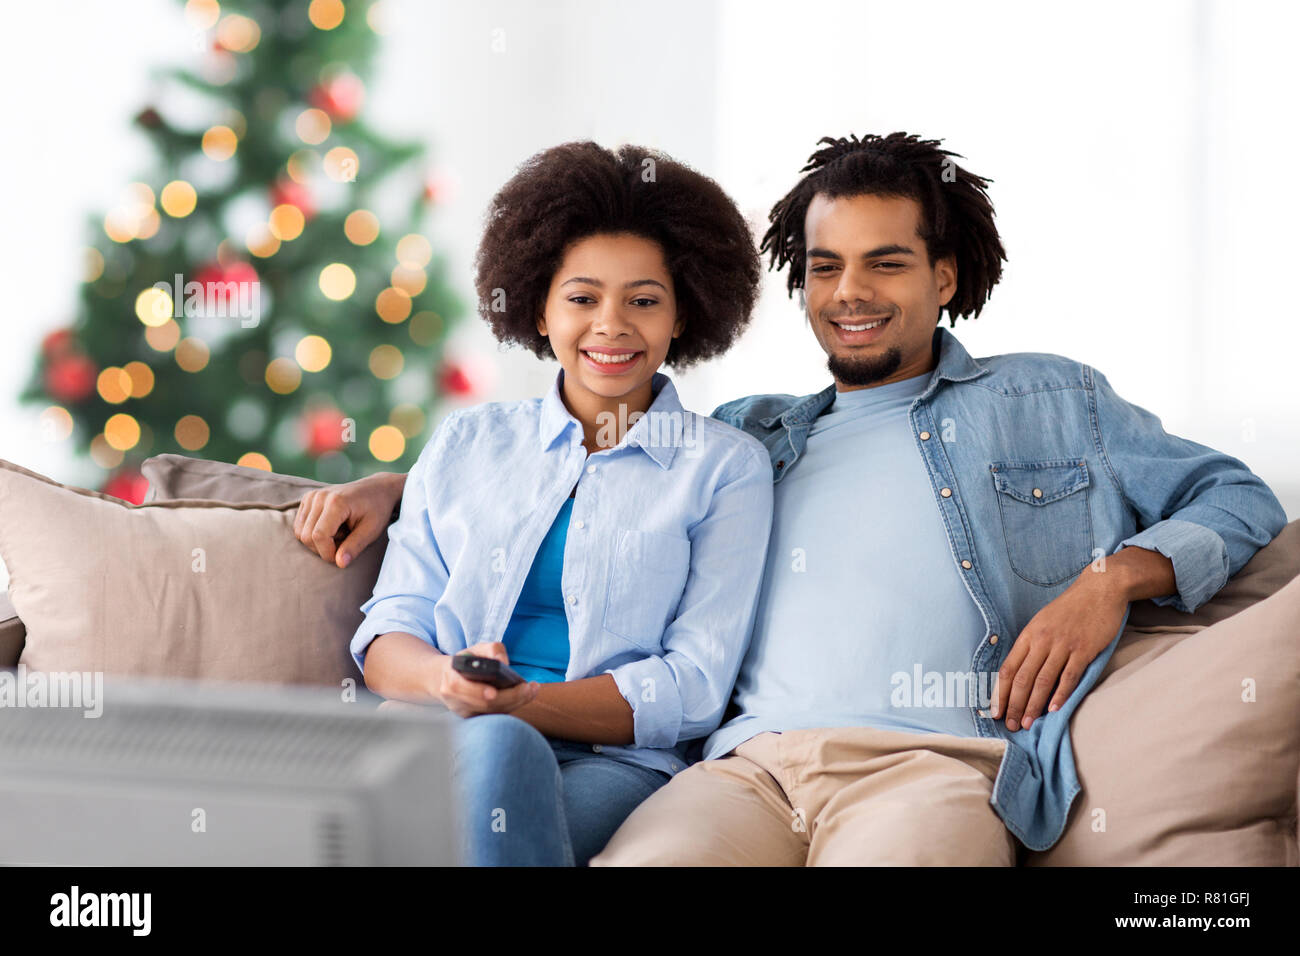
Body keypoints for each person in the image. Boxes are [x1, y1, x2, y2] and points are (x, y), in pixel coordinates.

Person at [298, 132, 1287, 865]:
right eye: (824, 267)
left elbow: (1233, 493)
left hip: (931, 763)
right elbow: (593, 448)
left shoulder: (1046, 397)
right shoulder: (753, 431)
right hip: (744, 771)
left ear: (944, 274)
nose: (849, 291)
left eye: (886, 262)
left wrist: (1110, 579)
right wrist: (404, 484)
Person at [296, 141, 773, 866]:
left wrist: (521, 706)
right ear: (540, 311)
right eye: (582, 298)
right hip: (435, 737)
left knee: (497, 766)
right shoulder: (466, 444)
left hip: (614, 766)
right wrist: (446, 683)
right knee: (490, 757)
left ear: (683, 316)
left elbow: (694, 685)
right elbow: (394, 626)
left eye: (644, 301)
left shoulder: (725, 468)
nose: (611, 326)